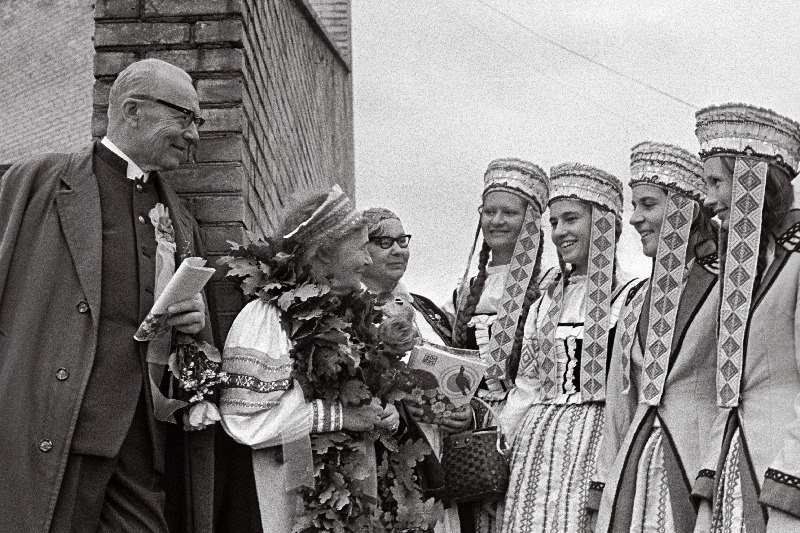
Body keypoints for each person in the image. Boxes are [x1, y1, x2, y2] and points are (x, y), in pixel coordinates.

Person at [0, 58, 214, 532]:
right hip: (51, 427)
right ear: (133, 110)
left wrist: (191, 328)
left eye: (197, 121)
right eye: (185, 117)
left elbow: (192, 350)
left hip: (143, 441)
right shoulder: (36, 183)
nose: (195, 134)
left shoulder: (182, 223)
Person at [219, 186, 398, 532]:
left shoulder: (348, 320)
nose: (368, 261)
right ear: (327, 251)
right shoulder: (268, 316)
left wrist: (380, 411)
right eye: (361, 249)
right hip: (282, 501)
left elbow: (356, 402)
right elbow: (246, 423)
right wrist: (340, 416)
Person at [500, 162, 638, 533]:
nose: (560, 231)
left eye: (571, 219)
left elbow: (631, 390)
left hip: (598, 437)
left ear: (605, 222)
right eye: (555, 222)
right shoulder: (546, 302)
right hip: (538, 441)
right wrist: (502, 440)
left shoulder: (631, 297)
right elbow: (527, 386)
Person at [592, 142, 721, 532]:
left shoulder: (726, 284)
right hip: (636, 472)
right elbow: (619, 402)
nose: (634, 219)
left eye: (648, 205)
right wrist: (603, 486)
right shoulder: (634, 300)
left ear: (685, 208)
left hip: (696, 463)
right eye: (634, 206)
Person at [690, 104, 800, 532]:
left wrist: (789, 483)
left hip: (780, 465)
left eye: (717, 181)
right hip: (732, 464)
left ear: (756, 184)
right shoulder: (740, 271)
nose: (707, 198)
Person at [447, 158, 550, 533]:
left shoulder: (550, 284)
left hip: (525, 422)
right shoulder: (465, 291)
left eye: (509, 212)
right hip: (473, 428)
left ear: (531, 221)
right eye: (489, 211)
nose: (496, 221)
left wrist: (504, 429)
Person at [362, 207, 453, 346]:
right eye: (385, 242)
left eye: (402, 241)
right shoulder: (350, 312)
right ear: (362, 248)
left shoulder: (426, 306)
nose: (398, 250)